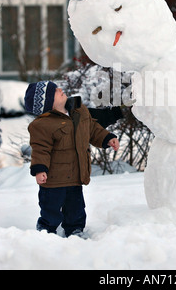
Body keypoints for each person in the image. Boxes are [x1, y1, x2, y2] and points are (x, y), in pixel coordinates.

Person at [24, 81, 119, 238]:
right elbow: (41, 149)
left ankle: (75, 229)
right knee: (51, 208)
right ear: (47, 103)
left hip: (75, 175)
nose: (60, 89)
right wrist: (40, 169)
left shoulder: (78, 111)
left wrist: (107, 138)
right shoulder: (42, 125)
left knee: (76, 207)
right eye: (55, 91)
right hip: (53, 179)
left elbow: (92, 129)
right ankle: (46, 230)